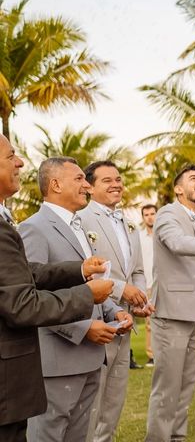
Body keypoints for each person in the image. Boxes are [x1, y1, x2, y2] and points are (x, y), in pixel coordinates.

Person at [0, 135, 113, 442]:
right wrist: (86, 299)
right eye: (11, 156)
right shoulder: (33, 226)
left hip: (85, 357)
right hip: (34, 364)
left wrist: (80, 269)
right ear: (57, 185)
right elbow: (21, 302)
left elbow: (27, 273)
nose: (21, 162)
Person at [19, 157, 133, 442]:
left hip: (91, 359)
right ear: (55, 184)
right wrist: (84, 330)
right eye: (80, 179)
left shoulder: (78, 226)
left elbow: (89, 283)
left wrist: (113, 311)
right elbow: (35, 295)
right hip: (58, 360)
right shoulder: (34, 228)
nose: (86, 185)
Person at [80, 160, 153, 442]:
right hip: (96, 319)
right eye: (107, 180)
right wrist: (122, 290)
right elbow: (84, 270)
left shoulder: (130, 224)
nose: (116, 184)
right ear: (89, 186)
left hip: (126, 321)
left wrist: (140, 299)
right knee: (93, 402)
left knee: (114, 400)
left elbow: (137, 270)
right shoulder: (82, 220)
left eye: (118, 179)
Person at [145, 165, 195, 442]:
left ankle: (177, 438)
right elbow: (176, 243)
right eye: (194, 179)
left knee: (185, 386)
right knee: (167, 388)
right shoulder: (168, 214)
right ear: (178, 189)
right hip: (171, 313)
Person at [138, 203, 157, 366]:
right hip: (148, 284)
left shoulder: (162, 235)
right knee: (150, 322)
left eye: (153, 213)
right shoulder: (139, 237)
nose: (150, 217)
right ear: (143, 217)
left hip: (163, 283)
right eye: (147, 214)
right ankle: (152, 355)